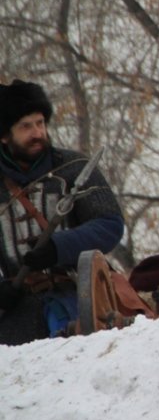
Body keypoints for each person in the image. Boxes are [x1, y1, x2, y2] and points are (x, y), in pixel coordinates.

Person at [0, 79, 125, 344]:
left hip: (75, 296)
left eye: (40, 123)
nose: (37, 133)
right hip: (13, 311)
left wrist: (58, 247)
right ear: (4, 135)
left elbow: (109, 224)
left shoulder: (74, 167)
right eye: (26, 127)